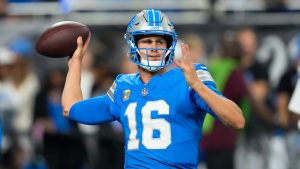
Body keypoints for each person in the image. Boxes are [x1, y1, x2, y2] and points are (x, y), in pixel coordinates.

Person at [61, 9, 245, 169]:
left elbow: (237, 120)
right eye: (147, 41)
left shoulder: (191, 76)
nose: (154, 48)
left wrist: (197, 85)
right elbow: (72, 108)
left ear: (169, 45)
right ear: (134, 45)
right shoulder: (124, 85)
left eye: (159, 41)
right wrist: (75, 62)